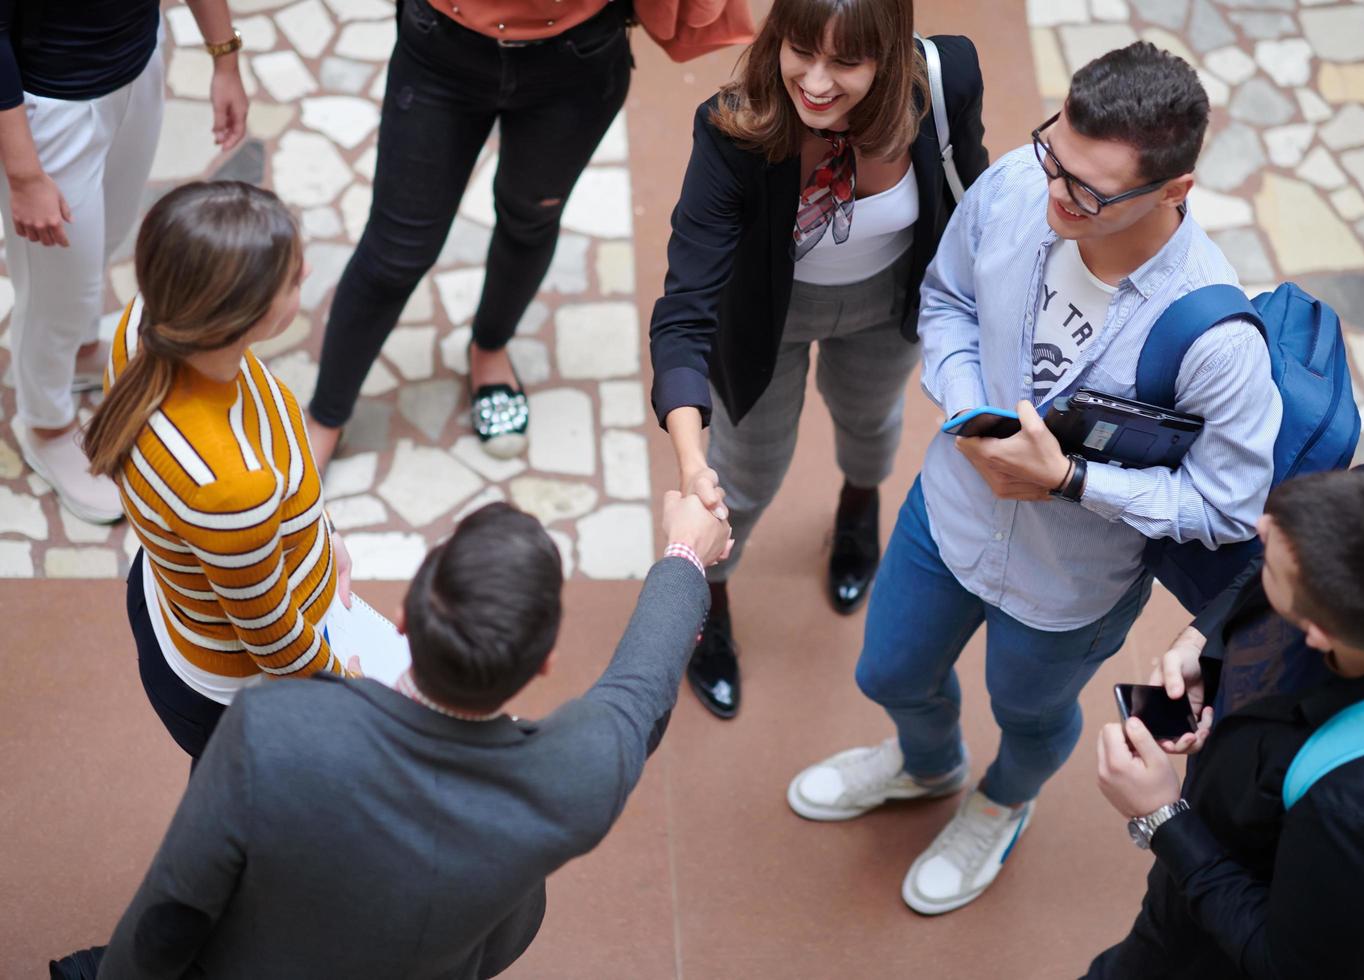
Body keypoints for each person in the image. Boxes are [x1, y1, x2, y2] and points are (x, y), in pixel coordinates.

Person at [785, 40, 1283, 916]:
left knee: (1027, 715)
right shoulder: (1020, 184)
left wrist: (1069, 482)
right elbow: (946, 303)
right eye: (1056, 153)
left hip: (1070, 583)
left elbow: (1229, 504)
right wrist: (977, 417)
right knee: (889, 672)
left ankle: (1001, 802)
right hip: (948, 513)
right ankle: (926, 763)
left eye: (1090, 191)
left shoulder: (1218, 339)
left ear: (1175, 192)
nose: (1057, 194)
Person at [92, 494, 731, 980]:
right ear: (543, 664)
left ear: (405, 615)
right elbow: (638, 689)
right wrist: (686, 554)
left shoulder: (271, 730)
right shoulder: (577, 775)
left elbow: (173, 907)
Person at [649, 0, 987, 718]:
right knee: (746, 471)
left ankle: (859, 508)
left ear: (890, 55)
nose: (818, 81)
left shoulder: (946, 78)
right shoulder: (732, 128)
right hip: (767, 313)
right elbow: (684, 311)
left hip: (887, 299)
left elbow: (973, 201)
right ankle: (707, 594)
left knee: (871, 422)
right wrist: (689, 463)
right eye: (801, 50)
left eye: (847, 61)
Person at [1089, 463, 1364, 979]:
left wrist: (1161, 818)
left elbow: (1288, 964)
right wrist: (1204, 642)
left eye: (1270, 561)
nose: (1259, 532)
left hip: (1236, 920)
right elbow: (1278, 564)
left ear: (1314, 635)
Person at [304, 0, 639, 464]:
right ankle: (326, 415)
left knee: (530, 219)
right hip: (443, 42)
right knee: (395, 252)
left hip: (577, 56)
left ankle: (490, 350)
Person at [83, 181, 349, 761]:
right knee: (266, 827)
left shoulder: (147, 320)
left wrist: (324, 540)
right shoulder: (229, 487)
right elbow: (272, 638)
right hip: (242, 689)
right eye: (293, 278)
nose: (304, 270)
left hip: (180, 603)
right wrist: (348, 692)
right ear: (239, 318)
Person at [1, 0, 247, 523]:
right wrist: (23, 175)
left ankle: (84, 350)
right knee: (54, 287)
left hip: (137, 57)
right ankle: (45, 423)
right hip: (49, 100)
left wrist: (225, 58)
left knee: (106, 236)